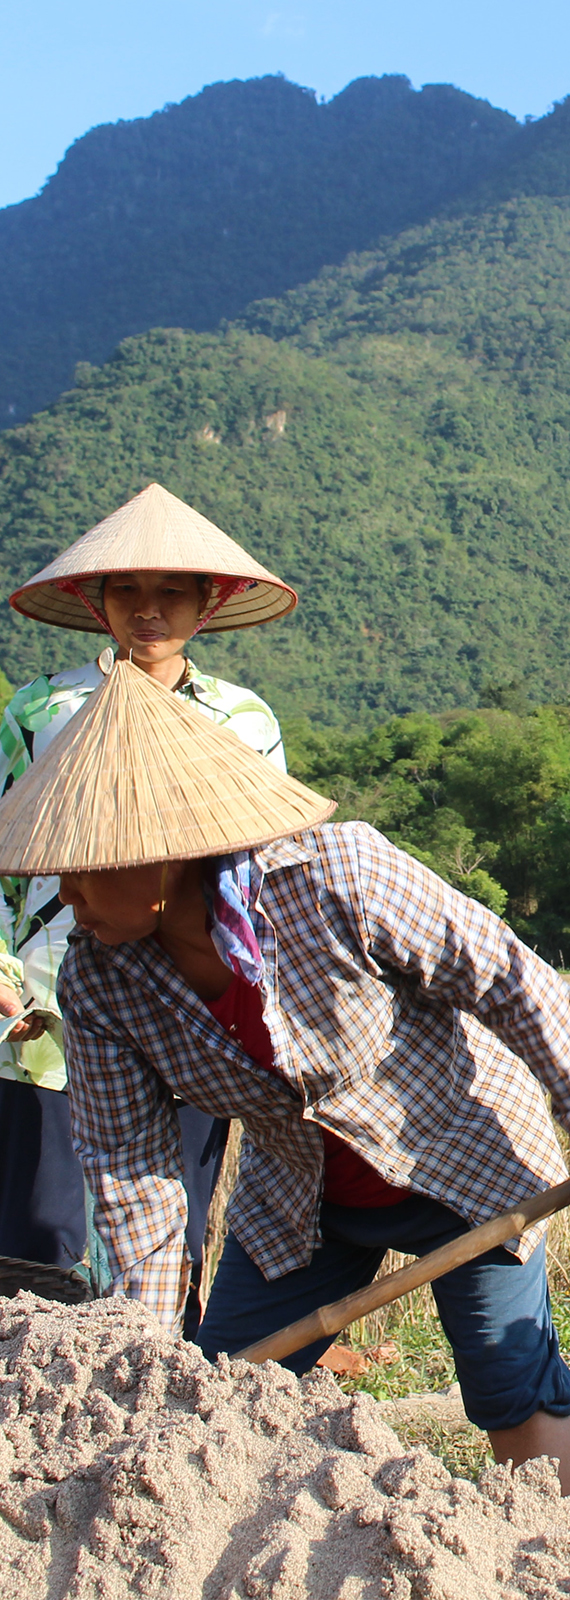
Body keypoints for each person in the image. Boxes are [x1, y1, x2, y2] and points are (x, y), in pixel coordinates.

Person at [0, 659, 570, 1495]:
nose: (66, 894)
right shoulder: (101, 981)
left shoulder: (333, 876)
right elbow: (135, 1178)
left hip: (467, 1163)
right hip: (299, 1198)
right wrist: (153, 1345)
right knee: (216, 1393)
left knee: (512, 1396)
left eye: (84, 865)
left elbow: (508, 978)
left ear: (160, 855)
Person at [0, 483, 295, 1334]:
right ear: (97, 601)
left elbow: (261, 874)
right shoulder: (42, 710)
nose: (148, 610)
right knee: (43, 1231)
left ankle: (166, 1392)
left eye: (171, 592)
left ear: (211, 602)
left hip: (197, 1004)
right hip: (53, 1004)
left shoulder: (240, 719)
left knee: (176, 1216)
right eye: (127, 590)